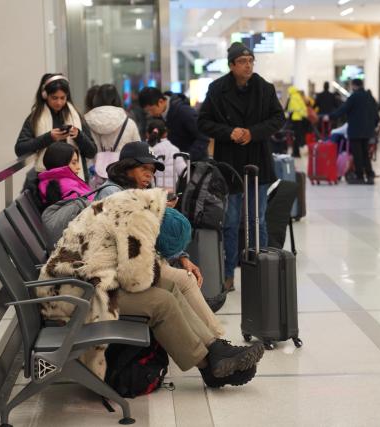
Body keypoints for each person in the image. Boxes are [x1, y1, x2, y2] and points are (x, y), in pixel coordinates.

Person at [37, 187, 264, 388]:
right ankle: (209, 368)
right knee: (161, 302)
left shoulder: (138, 204)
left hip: (86, 283)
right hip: (71, 296)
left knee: (170, 286)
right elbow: (134, 280)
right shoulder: (138, 223)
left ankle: (215, 349)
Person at [96, 141, 224, 338]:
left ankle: (214, 339)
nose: (150, 174)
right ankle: (216, 341)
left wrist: (182, 256)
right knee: (179, 285)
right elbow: (133, 234)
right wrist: (158, 212)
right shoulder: (111, 192)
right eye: (144, 168)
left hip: (136, 262)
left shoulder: (135, 191)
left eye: (153, 170)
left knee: (185, 278)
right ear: (127, 167)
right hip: (117, 271)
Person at [198, 42, 285, 291]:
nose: (248, 65)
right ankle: (228, 274)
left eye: (251, 61)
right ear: (232, 65)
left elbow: (278, 119)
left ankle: (261, 271)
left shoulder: (264, 88)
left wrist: (253, 132)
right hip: (230, 165)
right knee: (230, 220)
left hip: (258, 159)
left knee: (257, 219)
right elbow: (203, 122)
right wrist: (229, 132)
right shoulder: (217, 90)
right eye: (243, 61)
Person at [15, 73, 96, 183]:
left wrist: (79, 135)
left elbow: (92, 151)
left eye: (62, 98)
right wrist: (49, 137)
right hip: (48, 183)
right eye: (54, 98)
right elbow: (20, 149)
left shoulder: (76, 116)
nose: (59, 102)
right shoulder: (35, 118)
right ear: (45, 95)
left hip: (76, 180)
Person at [326, 78, 379, 185]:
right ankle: (369, 176)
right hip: (367, 131)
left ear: (354, 86)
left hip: (356, 130)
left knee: (358, 154)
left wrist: (330, 116)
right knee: (365, 153)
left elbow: (343, 109)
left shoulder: (354, 97)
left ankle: (359, 176)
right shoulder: (370, 97)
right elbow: (376, 114)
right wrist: (372, 126)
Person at [138, 87, 209, 161]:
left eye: (151, 110)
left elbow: (203, 137)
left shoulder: (184, 111)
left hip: (193, 164)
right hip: (173, 164)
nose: (150, 113)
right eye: (147, 111)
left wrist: (186, 157)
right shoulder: (159, 117)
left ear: (161, 102)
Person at [84, 84, 141, 154]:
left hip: (94, 164)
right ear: (117, 100)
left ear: (96, 100)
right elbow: (139, 151)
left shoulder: (86, 122)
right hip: (123, 164)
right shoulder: (129, 123)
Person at [146, 119, 187, 190]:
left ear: (147, 134)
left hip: (152, 192)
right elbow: (183, 171)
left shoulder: (146, 149)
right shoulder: (174, 150)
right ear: (166, 133)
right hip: (171, 191)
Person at [286, 86, 307, 158]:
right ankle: (297, 152)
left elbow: (291, 109)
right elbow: (303, 107)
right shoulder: (299, 97)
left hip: (295, 119)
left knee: (295, 136)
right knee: (298, 136)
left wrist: (286, 116)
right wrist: (303, 114)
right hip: (300, 119)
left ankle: (296, 153)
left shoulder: (293, 98)